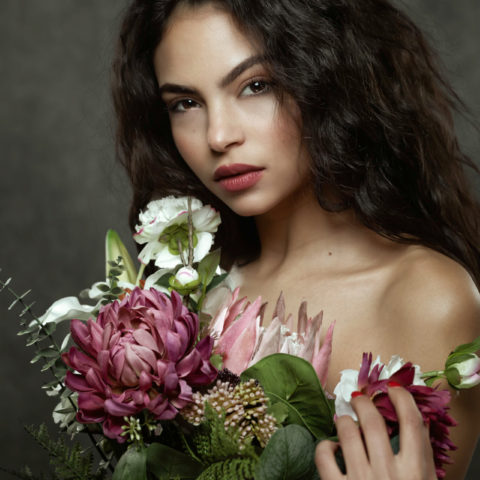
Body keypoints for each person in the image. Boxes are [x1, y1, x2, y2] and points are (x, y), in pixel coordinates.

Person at [111, 0, 480, 477]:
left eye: (256, 86)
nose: (218, 136)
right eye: (185, 103)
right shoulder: (189, 306)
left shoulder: (428, 299)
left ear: (328, 78)